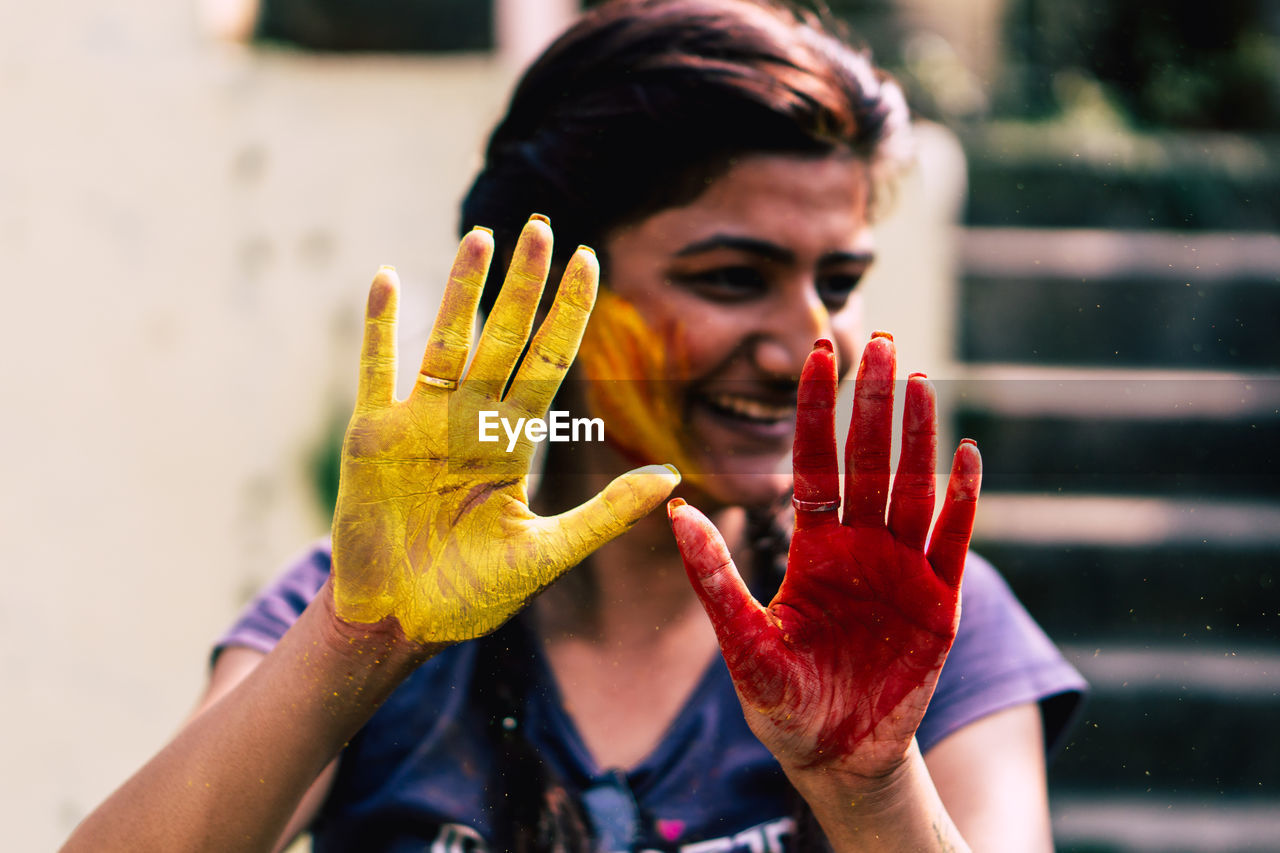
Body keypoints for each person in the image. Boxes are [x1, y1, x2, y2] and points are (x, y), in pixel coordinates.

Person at [62, 1, 1085, 850]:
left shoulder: (907, 623)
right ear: (547, 295)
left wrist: (871, 791)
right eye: (730, 279)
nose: (801, 349)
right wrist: (355, 646)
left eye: (840, 280)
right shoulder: (369, 601)